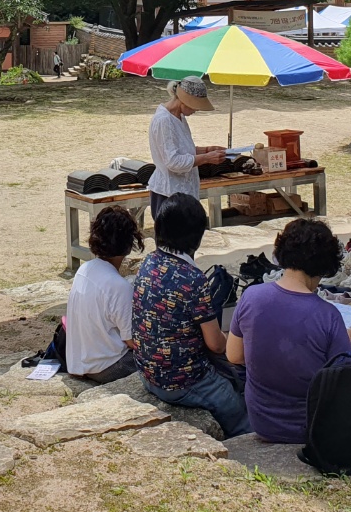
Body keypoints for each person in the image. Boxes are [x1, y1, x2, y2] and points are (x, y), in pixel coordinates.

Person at [225, 218, 351, 444]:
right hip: (309, 425)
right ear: (325, 266)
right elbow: (340, 380)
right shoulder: (328, 315)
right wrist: (346, 338)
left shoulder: (251, 296)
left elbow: (234, 356)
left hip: (261, 420)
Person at [133, 193, 250, 438]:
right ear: (197, 237)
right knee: (240, 412)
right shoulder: (192, 279)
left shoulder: (149, 262)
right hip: (182, 381)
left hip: (147, 372)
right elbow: (216, 345)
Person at [65, 206, 143, 383]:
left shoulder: (84, 270)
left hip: (79, 362)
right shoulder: (119, 286)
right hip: (108, 367)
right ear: (129, 244)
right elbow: (132, 342)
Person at [146, 77, 225, 220]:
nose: (196, 110)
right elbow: (173, 161)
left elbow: (182, 149)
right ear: (184, 101)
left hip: (182, 191)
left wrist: (207, 150)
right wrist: (206, 158)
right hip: (169, 194)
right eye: (195, 106)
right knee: (173, 240)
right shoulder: (164, 120)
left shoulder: (179, 117)